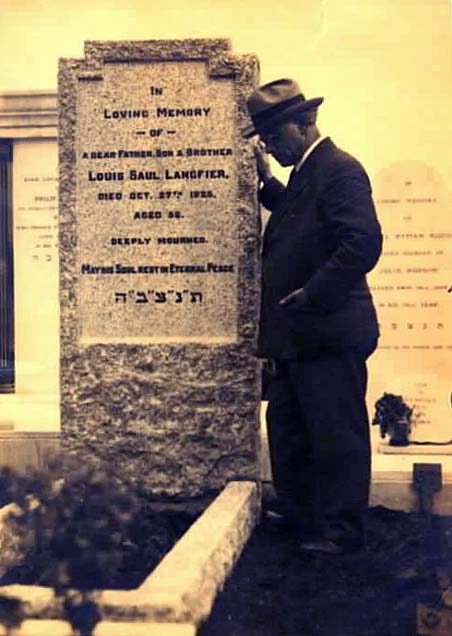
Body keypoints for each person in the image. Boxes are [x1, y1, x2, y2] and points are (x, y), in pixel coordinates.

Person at [244, 78, 382, 554]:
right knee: (290, 428)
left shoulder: (340, 169)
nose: (270, 145)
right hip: (297, 336)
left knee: (334, 432)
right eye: (264, 139)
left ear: (304, 124)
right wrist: (266, 182)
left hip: (326, 329)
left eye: (275, 137)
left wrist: (314, 294)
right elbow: (300, 219)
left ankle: (342, 531)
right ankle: (302, 515)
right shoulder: (309, 171)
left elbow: (361, 243)